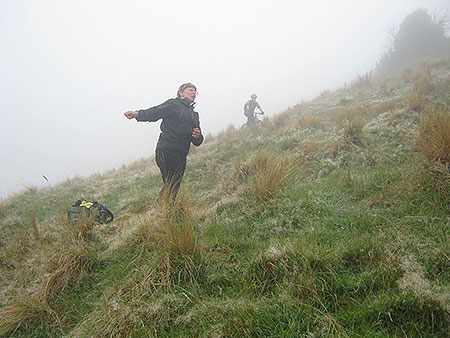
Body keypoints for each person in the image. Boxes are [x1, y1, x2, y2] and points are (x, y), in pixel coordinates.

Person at [124, 83, 204, 201]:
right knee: (172, 181)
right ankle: (164, 209)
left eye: (195, 92)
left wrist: (198, 136)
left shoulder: (194, 115)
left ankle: (164, 209)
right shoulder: (173, 104)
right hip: (167, 149)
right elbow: (156, 112)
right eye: (191, 90)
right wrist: (137, 114)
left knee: (174, 184)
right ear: (181, 93)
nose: (193, 93)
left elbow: (198, 141)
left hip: (182, 154)